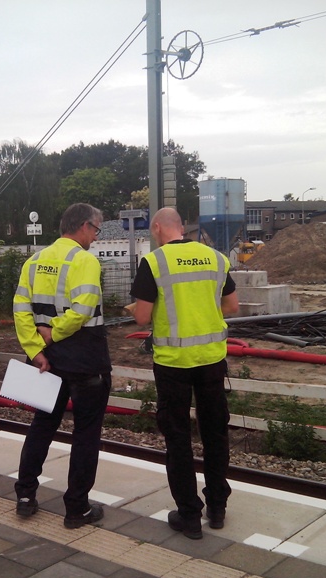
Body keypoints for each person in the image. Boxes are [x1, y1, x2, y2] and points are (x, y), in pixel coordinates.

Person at [131, 207, 239, 540]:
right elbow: (232, 306)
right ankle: (217, 508)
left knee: (178, 439)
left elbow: (142, 318)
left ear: (158, 227)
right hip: (210, 360)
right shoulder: (216, 258)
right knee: (215, 434)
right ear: (182, 228)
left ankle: (190, 516)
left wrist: (136, 308)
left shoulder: (154, 262)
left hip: (173, 364)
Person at [13, 202, 112, 529]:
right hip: (85, 360)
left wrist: (36, 349)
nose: (96, 238)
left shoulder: (34, 260)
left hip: (46, 361)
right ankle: (76, 508)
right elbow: (83, 309)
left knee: (42, 424)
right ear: (84, 226)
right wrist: (54, 335)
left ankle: (25, 494)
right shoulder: (84, 260)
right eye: (96, 230)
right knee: (86, 433)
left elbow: (21, 309)